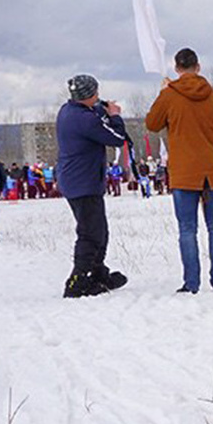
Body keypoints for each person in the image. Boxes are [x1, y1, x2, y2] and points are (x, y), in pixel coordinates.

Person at [147, 47, 213, 294]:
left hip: (184, 173)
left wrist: (163, 93)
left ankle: (191, 283)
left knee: (187, 230)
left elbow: (152, 124)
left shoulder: (169, 96)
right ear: (198, 67)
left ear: (177, 69)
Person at [55, 73, 131, 297]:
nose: (99, 96)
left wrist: (100, 108)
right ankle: (77, 280)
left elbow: (92, 117)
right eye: (95, 93)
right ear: (87, 96)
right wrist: (115, 116)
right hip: (83, 182)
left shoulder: (69, 111)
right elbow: (117, 137)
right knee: (90, 234)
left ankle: (98, 272)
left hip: (78, 180)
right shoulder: (85, 120)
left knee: (100, 231)